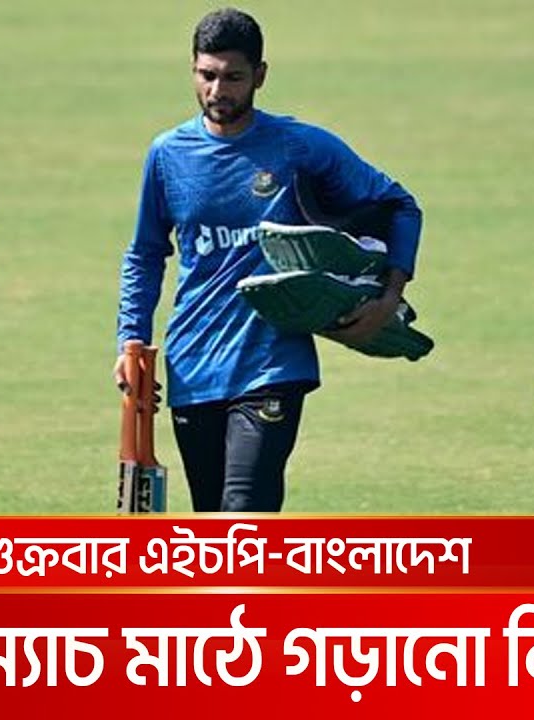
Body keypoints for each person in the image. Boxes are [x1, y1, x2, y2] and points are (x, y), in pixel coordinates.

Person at [114, 7, 423, 512]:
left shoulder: (298, 146)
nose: (218, 90)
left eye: (233, 77)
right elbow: (145, 254)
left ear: (260, 75)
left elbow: (399, 205)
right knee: (211, 522)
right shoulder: (168, 154)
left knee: (245, 514)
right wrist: (130, 340)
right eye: (207, 75)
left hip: (272, 365)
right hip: (193, 365)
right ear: (192, 69)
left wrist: (390, 297)